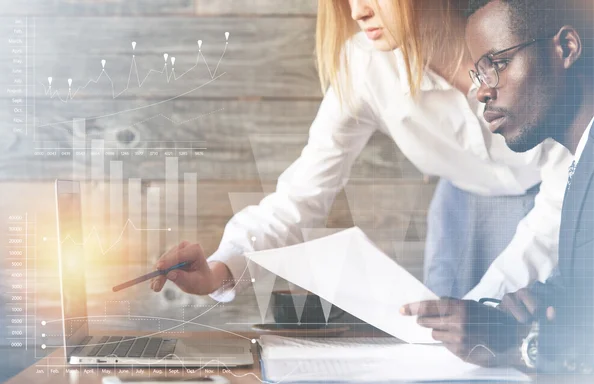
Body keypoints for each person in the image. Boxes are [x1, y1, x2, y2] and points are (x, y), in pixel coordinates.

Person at [150, 0, 571, 306]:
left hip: (570, 209)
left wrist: (485, 312)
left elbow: (563, 192)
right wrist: (219, 269)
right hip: (463, 214)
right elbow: (300, 198)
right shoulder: (364, 66)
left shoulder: (521, 32)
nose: (356, 11)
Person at [402, 0, 594, 372]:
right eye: (478, 75)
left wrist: (522, 345)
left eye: (498, 64)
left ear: (566, 49)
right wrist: (517, 313)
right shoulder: (580, 166)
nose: (481, 92)